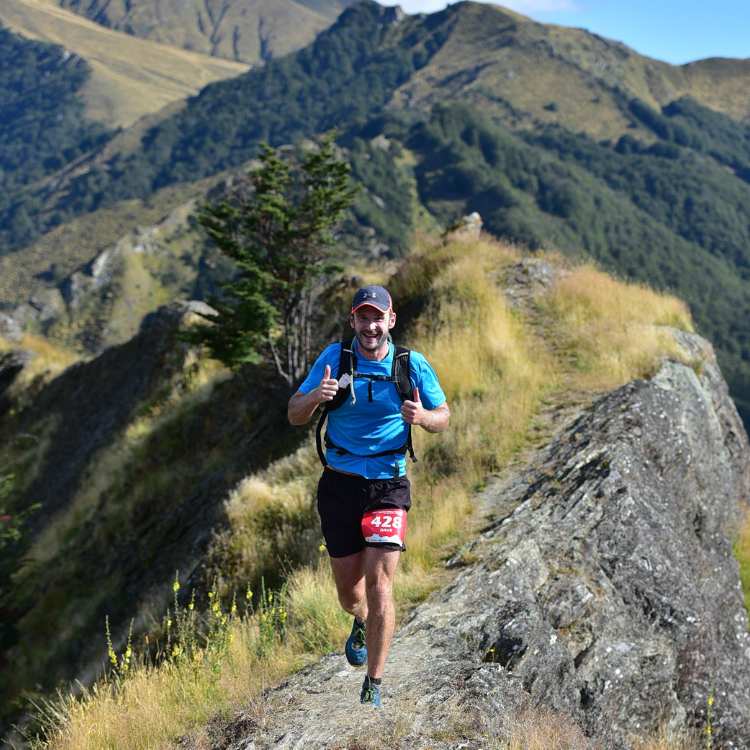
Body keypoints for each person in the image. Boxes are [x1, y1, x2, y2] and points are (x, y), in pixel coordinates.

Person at [288, 285, 450, 707]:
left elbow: (444, 416)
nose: (371, 325)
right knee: (352, 596)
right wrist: (313, 397)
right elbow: (293, 413)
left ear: (391, 320)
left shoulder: (411, 365)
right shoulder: (334, 359)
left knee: (381, 586)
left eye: (378, 317)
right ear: (353, 321)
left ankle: (373, 687)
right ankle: (360, 622)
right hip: (339, 485)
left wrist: (424, 417)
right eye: (363, 317)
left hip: (388, 486)